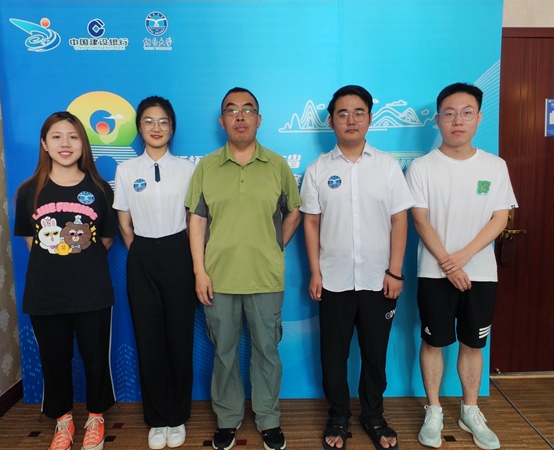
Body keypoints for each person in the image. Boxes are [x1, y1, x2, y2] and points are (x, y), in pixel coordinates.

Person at [184, 87, 302, 450]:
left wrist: (274, 246)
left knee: (267, 351)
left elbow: (294, 212)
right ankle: (227, 418)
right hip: (218, 278)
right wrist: (200, 271)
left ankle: (268, 419)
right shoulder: (207, 167)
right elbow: (196, 221)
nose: (240, 116)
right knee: (224, 353)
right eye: (232, 110)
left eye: (248, 110)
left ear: (259, 119)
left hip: (265, 277)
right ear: (222, 121)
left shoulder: (277, 165)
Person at [300, 85, 414, 450]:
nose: (351, 120)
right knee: (333, 356)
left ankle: (374, 415)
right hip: (333, 280)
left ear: (370, 118)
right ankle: (338, 415)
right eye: (343, 113)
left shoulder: (387, 166)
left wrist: (395, 271)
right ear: (331, 121)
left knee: (374, 355)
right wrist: (315, 272)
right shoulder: (318, 169)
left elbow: (400, 220)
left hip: (379, 280)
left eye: (359, 112)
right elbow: (311, 223)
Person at [405, 83, 518, 450]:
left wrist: (464, 257)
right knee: (433, 341)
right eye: (450, 113)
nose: (458, 120)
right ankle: (434, 410)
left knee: (473, 343)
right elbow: (420, 219)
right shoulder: (421, 167)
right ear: (438, 119)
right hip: (433, 272)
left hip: (480, 272)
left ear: (479, 118)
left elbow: (500, 218)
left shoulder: (495, 166)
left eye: (466, 113)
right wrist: (448, 264)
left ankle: (470, 410)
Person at [13, 111, 118, 450]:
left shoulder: (99, 189)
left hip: (92, 291)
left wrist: (78, 259)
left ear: (83, 144)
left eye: (73, 136)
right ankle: (63, 421)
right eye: (56, 136)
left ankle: (96, 417)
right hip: (45, 293)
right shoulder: (29, 191)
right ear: (44, 144)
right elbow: (32, 243)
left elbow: (105, 240)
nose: (65, 143)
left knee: (95, 358)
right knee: (54, 361)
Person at [113, 96, 197, 449]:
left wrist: (182, 254)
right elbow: (124, 221)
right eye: (148, 121)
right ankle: (157, 419)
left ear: (172, 127)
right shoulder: (127, 170)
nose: (156, 127)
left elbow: (195, 219)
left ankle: (177, 417)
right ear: (139, 127)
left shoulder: (188, 169)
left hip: (180, 251)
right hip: (143, 253)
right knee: (148, 340)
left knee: (179, 337)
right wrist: (142, 251)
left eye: (163, 121)